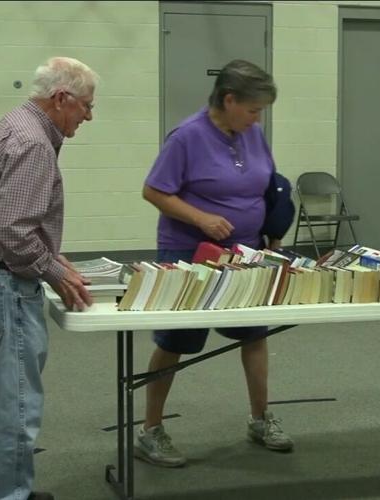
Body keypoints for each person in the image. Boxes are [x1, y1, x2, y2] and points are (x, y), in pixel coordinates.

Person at [137, 59, 294, 468]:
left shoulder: (253, 135)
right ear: (229, 100)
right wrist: (201, 218)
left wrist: (273, 234)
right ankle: (151, 429)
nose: (257, 118)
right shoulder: (186, 138)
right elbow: (154, 191)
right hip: (189, 253)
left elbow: (270, 185)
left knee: (254, 335)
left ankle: (260, 419)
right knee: (175, 343)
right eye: (253, 109)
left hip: (244, 253)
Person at [0, 56, 98, 500]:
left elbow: (15, 223)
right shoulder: (34, 141)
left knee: (5, 397)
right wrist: (56, 272)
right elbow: (14, 231)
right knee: (17, 403)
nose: (89, 116)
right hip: (4, 286)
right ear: (61, 99)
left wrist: (55, 257)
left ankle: (1, 486)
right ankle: (6, 496)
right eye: (86, 105)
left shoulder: (15, 124)